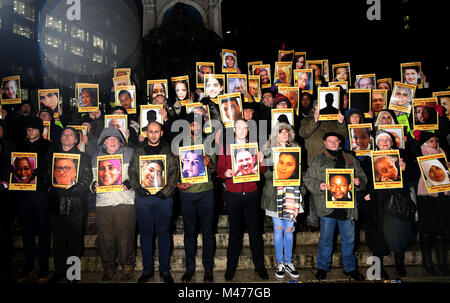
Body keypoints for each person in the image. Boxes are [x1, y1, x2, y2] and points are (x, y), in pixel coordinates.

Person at [304, 132, 367, 281]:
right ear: (324, 143)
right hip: (327, 208)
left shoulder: (350, 159)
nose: (332, 143)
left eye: (335, 141)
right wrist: (319, 186)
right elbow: (307, 179)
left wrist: (359, 182)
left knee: (349, 239)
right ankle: (322, 267)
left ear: (340, 142)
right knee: (325, 239)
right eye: (329, 141)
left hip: (348, 208)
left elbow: (363, 177)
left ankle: (350, 268)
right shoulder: (317, 160)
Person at [217, 119, 268, 281]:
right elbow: (219, 169)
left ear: (247, 130)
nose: (242, 130)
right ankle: (231, 267)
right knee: (235, 233)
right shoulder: (226, 148)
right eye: (239, 127)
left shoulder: (254, 147)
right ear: (234, 129)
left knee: (255, 232)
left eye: (245, 128)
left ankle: (259, 265)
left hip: (252, 193)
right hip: (233, 193)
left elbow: (263, 170)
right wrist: (225, 174)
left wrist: (262, 160)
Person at [129, 120, 179, 283]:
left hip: (163, 199)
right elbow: (132, 172)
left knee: (164, 234)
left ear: (161, 132)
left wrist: (165, 193)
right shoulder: (139, 150)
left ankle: (165, 269)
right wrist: (139, 189)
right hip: (144, 199)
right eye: (150, 131)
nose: (153, 134)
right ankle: (147, 269)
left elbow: (174, 173)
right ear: (146, 133)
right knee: (145, 235)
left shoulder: (169, 150)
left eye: (156, 131)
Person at [361, 130, 414, 278]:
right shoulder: (368, 159)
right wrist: (365, 193)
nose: (384, 142)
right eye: (381, 140)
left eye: (387, 140)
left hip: (397, 201)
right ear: (376, 143)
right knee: (378, 236)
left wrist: (404, 169)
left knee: (399, 233)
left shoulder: (401, 157)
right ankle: (378, 268)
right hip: (377, 202)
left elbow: (412, 178)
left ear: (392, 143)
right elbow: (364, 179)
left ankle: (399, 263)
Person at [91, 126, 136, 281]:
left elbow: (138, 174)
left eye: (115, 139)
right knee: (106, 237)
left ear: (120, 142)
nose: (112, 141)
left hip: (125, 200)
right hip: (103, 202)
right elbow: (92, 179)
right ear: (103, 142)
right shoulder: (95, 157)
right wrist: (93, 186)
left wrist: (131, 183)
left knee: (126, 235)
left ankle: (127, 266)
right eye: (108, 139)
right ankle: (109, 267)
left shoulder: (130, 153)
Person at [48, 127, 92, 283]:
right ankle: (59, 271)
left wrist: (71, 190)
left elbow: (87, 180)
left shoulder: (84, 157)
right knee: (58, 241)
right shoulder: (52, 157)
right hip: (56, 205)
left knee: (75, 242)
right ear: (60, 138)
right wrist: (53, 188)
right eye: (64, 135)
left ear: (76, 140)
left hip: (76, 206)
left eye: (71, 135)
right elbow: (47, 177)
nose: (67, 137)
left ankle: (73, 274)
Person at [177, 113, 216, 282]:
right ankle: (189, 268)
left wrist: (210, 164)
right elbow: (174, 170)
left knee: (208, 233)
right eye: (193, 124)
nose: (197, 127)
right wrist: (178, 184)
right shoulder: (179, 144)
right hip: (187, 195)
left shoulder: (209, 143)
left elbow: (215, 169)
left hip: (206, 192)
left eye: (199, 124)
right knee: (189, 233)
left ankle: (208, 269)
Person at [15, 117, 54, 283]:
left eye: (32, 128)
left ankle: (43, 267)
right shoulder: (20, 145)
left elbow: (52, 168)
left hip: (41, 194)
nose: (29, 131)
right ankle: (29, 266)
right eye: (27, 128)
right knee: (26, 230)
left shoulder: (48, 146)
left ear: (40, 130)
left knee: (44, 230)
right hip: (23, 194)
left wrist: (42, 174)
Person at [261, 122, 302, 279]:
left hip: (291, 194)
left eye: (286, 132)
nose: (284, 135)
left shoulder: (295, 149)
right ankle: (280, 263)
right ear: (275, 134)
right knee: (278, 231)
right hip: (274, 195)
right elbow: (265, 174)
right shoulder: (268, 151)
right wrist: (273, 172)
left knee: (289, 231)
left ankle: (288, 262)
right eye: (281, 132)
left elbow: (300, 173)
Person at [415, 132, 450, 276]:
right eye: (431, 141)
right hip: (426, 197)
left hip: (443, 196)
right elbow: (411, 175)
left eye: (436, 141)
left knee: (443, 230)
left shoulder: (444, 154)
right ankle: (427, 261)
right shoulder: (418, 155)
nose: (435, 143)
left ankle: (442, 262)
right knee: (428, 230)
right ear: (424, 143)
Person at [0, 120, 15, 281]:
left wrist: (4, 182)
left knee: (3, 231)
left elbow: (13, 165)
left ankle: (6, 266)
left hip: (4, 194)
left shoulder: (9, 146)